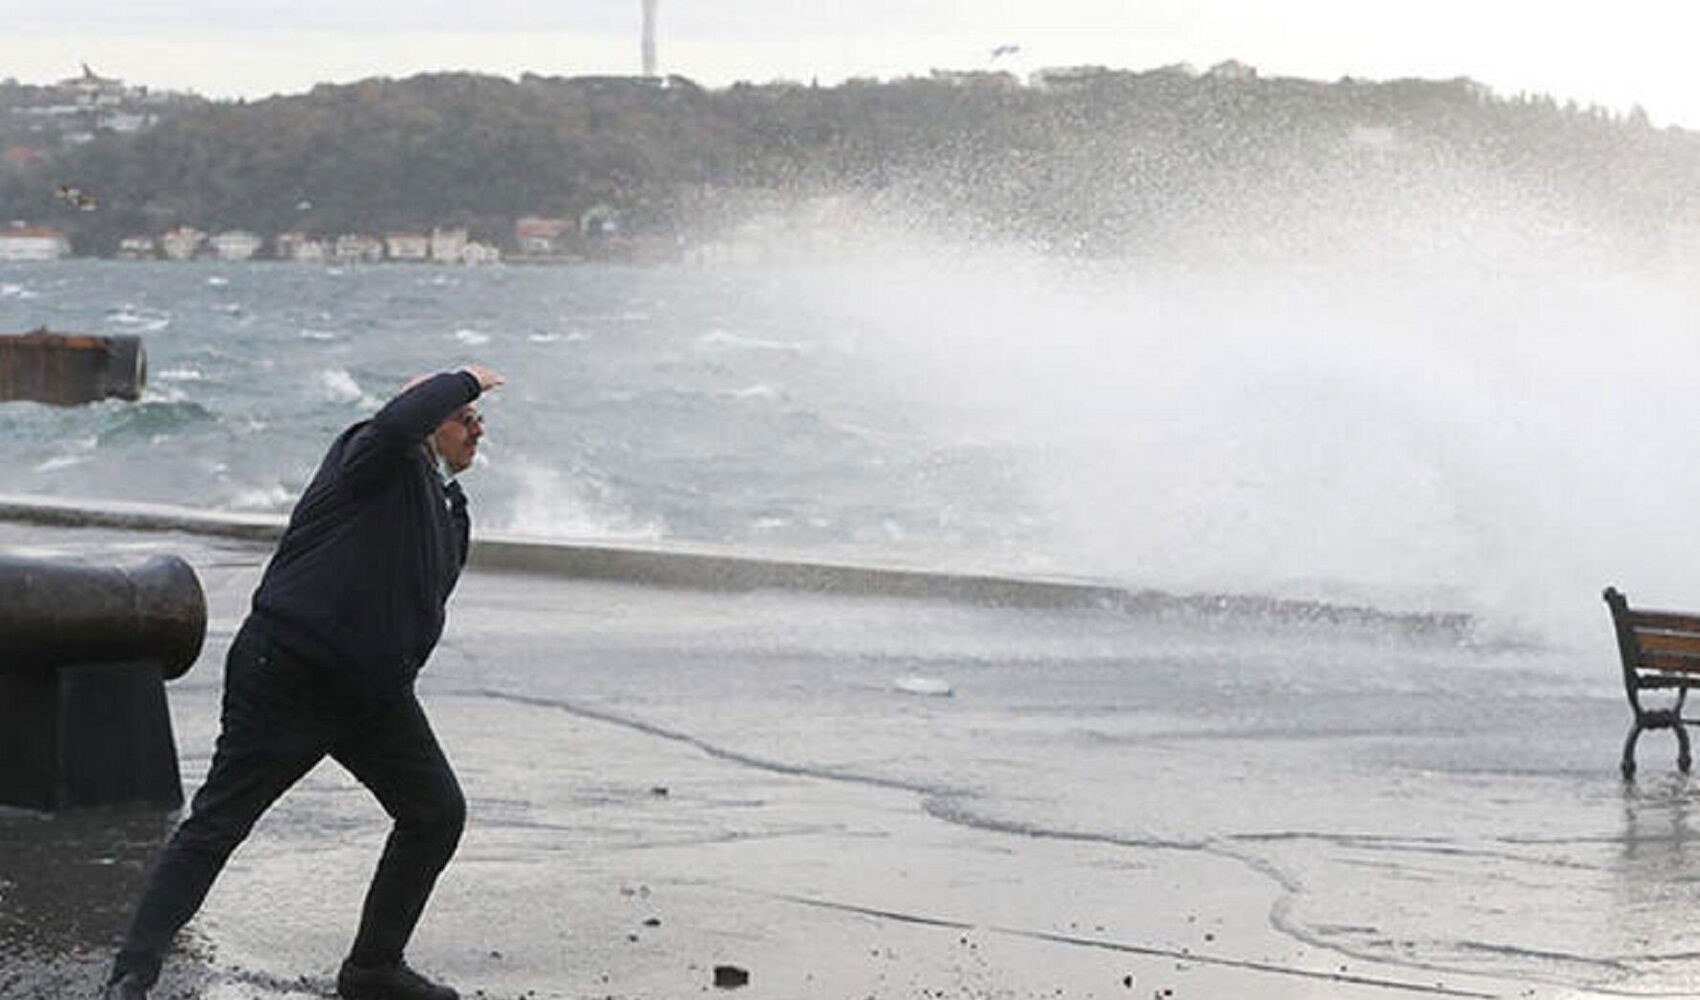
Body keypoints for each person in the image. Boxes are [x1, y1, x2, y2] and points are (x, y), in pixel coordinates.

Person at [104, 365, 505, 1000]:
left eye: (477, 417)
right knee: (219, 823)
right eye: (464, 416)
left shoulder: (450, 506)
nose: (477, 426)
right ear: (429, 422)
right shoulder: (371, 456)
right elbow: (398, 421)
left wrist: (397, 669)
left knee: (435, 813)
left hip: (371, 696)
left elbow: (421, 598)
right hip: (289, 671)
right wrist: (465, 379)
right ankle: (132, 973)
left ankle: (373, 969)